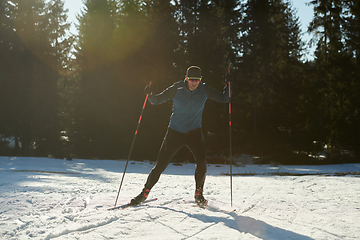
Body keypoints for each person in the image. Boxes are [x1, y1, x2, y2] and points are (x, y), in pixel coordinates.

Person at [130, 65, 231, 207]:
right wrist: (150, 94)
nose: (194, 82)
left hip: (195, 133)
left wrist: (228, 84)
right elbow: (157, 100)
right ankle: (144, 193)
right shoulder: (176, 88)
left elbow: (225, 99)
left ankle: (199, 194)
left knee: (202, 162)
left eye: (197, 79)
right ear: (186, 78)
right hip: (175, 132)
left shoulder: (204, 89)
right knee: (160, 165)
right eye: (191, 79)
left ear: (200, 80)